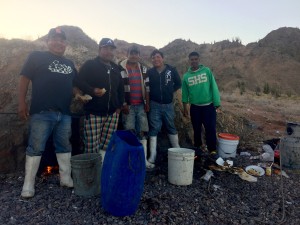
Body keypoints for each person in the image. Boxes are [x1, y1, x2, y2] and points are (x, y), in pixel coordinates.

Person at [18, 27, 76, 198]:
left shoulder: (70, 64)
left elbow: (73, 85)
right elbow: (24, 78)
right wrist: (21, 103)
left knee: (64, 145)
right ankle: (28, 184)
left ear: (66, 44)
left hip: (64, 113)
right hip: (42, 112)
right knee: (36, 146)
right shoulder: (36, 56)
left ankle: (65, 178)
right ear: (48, 41)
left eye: (62, 40)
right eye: (55, 39)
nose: (59, 42)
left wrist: (80, 95)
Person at [74, 38, 124, 161]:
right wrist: (92, 90)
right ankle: (91, 175)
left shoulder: (116, 68)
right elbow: (78, 81)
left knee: (107, 145)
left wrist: (119, 107)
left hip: (112, 114)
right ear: (99, 49)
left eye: (111, 49)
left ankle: (102, 172)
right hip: (93, 113)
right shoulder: (90, 64)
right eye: (105, 48)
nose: (108, 52)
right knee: (91, 146)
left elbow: (120, 89)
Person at [119, 45, 154, 169]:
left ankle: (143, 160)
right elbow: (119, 89)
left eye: (136, 53)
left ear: (139, 55)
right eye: (131, 53)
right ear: (127, 53)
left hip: (141, 106)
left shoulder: (144, 70)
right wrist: (123, 104)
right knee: (130, 132)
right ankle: (131, 161)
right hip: (128, 106)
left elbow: (147, 88)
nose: (134, 55)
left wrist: (147, 103)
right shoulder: (120, 68)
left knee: (143, 132)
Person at [182, 51, 221, 159]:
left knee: (210, 128)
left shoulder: (206, 71)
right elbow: (185, 93)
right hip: (195, 108)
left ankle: (212, 150)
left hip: (208, 106)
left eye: (195, 59)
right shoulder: (186, 76)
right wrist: (185, 107)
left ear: (199, 59)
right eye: (191, 59)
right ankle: (198, 149)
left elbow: (213, 86)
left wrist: (217, 102)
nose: (194, 61)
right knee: (196, 129)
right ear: (189, 61)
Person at [147, 49, 182, 167]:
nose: (155, 59)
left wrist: (170, 91)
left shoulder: (171, 70)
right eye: (153, 57)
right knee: (154, 128)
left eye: (157, 57)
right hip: (154, 104)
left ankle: (177, 150)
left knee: (171, 126)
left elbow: (178, 83)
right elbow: (146, 87)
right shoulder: (150, 72)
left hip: (168, 105)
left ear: (162, 58)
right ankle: (153, 155)